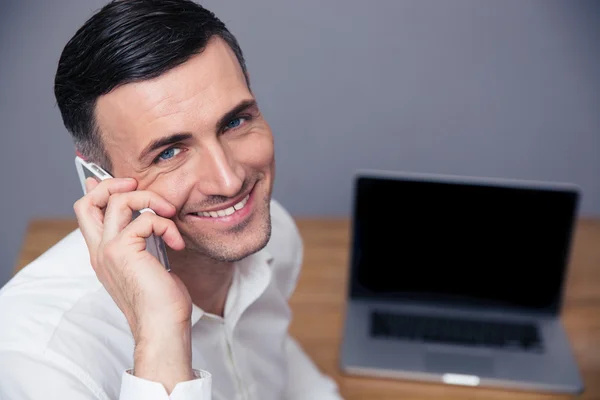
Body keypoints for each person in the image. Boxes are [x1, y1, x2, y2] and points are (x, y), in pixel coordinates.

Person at [0, 1, 343, 399]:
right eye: (168, 153)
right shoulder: (36, 362)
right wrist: (160, 336)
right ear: (99, 182)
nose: (229, 181)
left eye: (234, 121)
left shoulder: (270, 230)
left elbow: (276, 370)